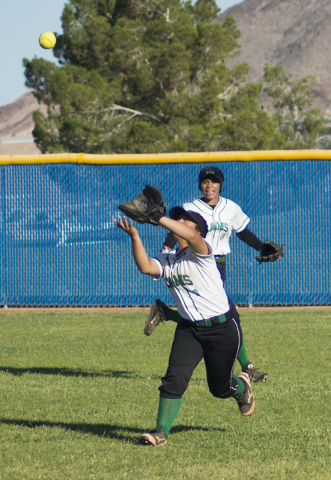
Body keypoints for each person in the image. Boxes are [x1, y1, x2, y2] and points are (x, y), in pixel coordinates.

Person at [115, 204, 255, 447]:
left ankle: (242, 387)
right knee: (174, 378)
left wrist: (157, 217)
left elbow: (190, 236)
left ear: (198, 231)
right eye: (177, 219)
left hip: (222, 329)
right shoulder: (168, 259)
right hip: (190, 329)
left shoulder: (202, 252)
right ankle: (160, 432)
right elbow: (146, 267)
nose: (180, 222)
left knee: (219, 388)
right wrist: (135, 237)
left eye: (186, 220)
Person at [144, 166, 274, 383]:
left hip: (217, 264)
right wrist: (164, 253)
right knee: (228, 315)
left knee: (216, 314)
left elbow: (242, 232)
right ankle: (247, 367)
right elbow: (174, 233)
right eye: (205, 181)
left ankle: (166, 312)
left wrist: (261, 247)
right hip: (194, 263)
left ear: (220, 185)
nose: (209, 185)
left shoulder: (230, 207)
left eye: (214, 181)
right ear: (200, 184)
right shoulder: (189, 207)